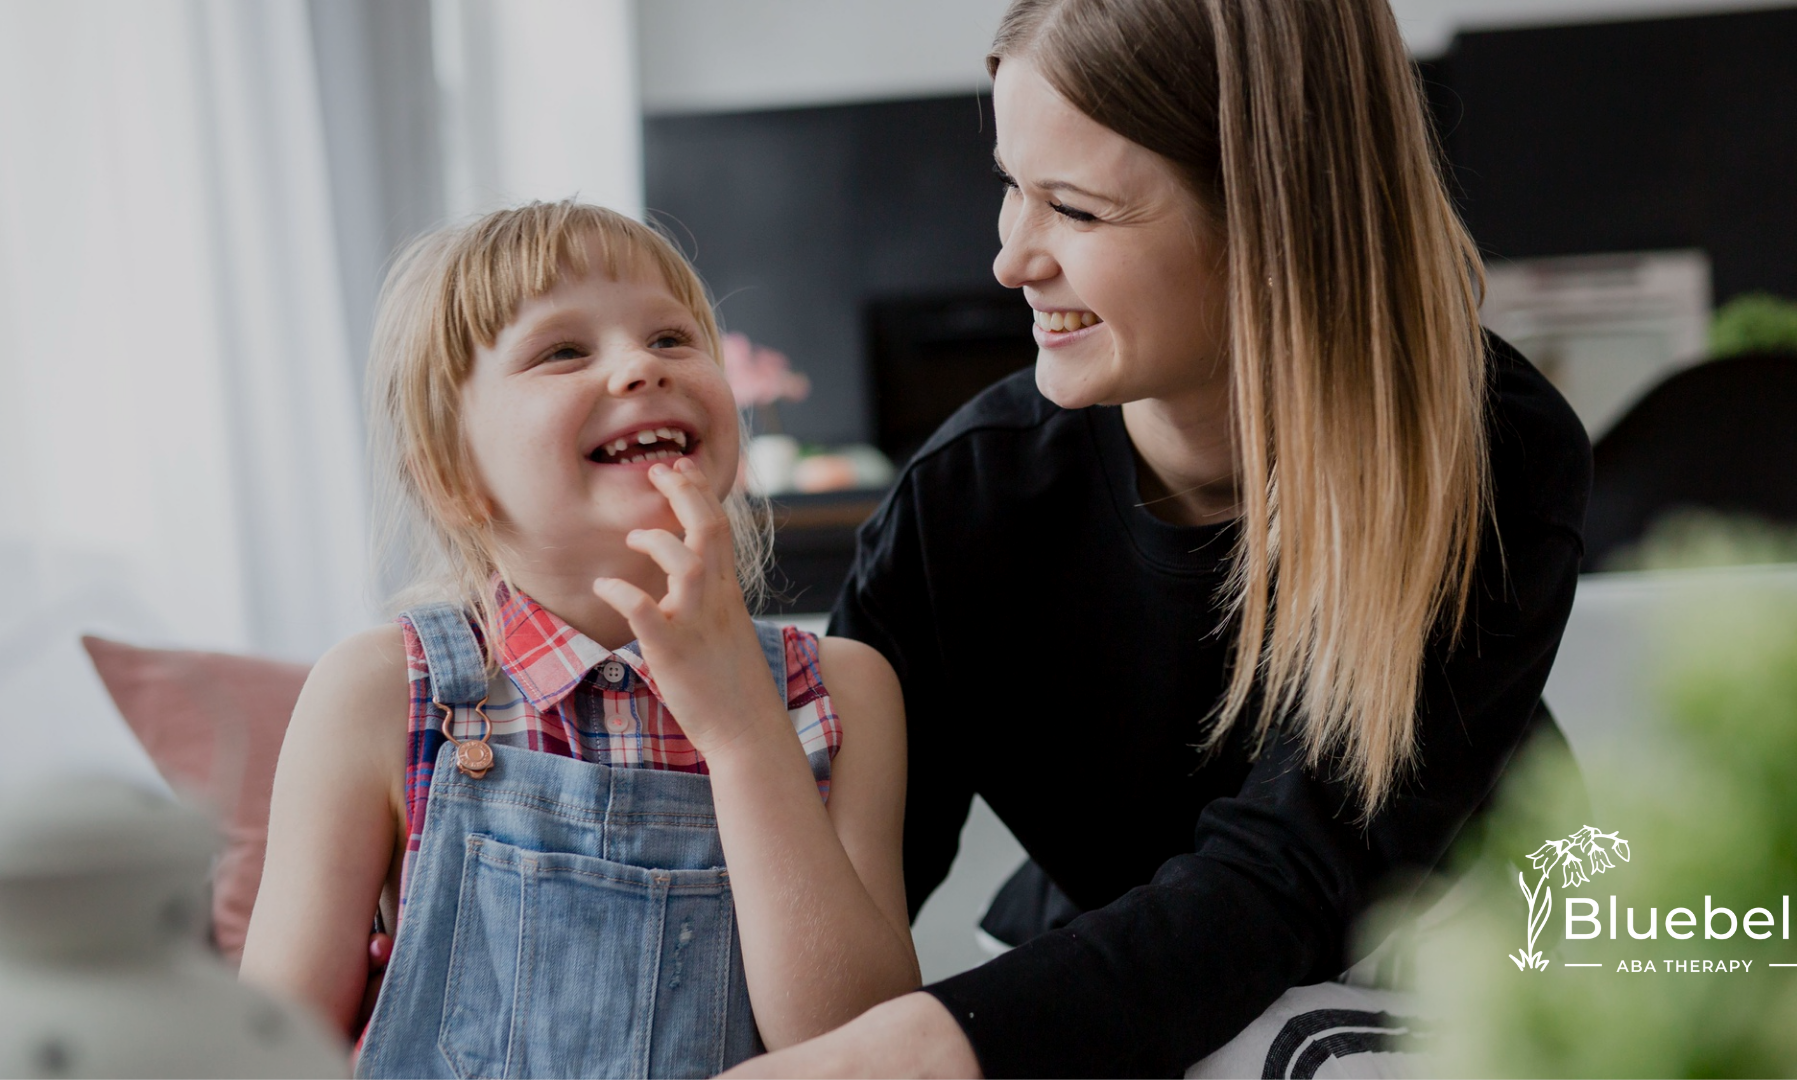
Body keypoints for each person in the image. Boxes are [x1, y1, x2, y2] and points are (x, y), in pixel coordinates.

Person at [726, 0, 1590, 1076]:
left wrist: (922, 1053)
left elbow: (1285, 882)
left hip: (1474, 980)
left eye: (1075, 209)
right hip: (1119, 975)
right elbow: (834, 924)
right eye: (1011, 185)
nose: (1009, 259)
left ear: (1273, 222)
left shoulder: (1488, 452)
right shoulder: (964, 507)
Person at [239, 202, 918, 1078]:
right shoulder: (381, 695)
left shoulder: (843, 690)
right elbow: (264, 1055)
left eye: (672, 338)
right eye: (563, 351)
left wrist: (744, 731)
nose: (642, 365)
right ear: (452, 473)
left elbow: (860, 1045)